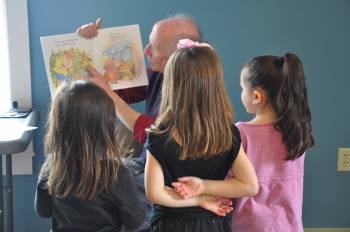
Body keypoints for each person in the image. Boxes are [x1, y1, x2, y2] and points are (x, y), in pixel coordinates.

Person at [76, 14, 203, 231]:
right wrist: (88, 44)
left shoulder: (197, 93)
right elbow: (116, 89)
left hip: (169, 179)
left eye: (154, 47)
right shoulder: (157, 73)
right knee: (84, 177)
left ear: (177, 57)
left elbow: (157, 136)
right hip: (144, 166)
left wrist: (107, 93)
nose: (145, 51)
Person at [173, 53, 315, 232]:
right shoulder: (298, 132)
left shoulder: (242, 133)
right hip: (290, 226)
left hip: (251, 226)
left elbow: (230, 185)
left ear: (257, 96)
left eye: (242, 88)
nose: (241, 94)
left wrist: (201, 187)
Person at [144, 39, 259, 232]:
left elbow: (155, 193)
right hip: (212, 224)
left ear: (171, 86)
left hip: (170, 225)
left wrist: (200, 199)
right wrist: (203, 188)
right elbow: (249, 185)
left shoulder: (159, 136)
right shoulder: (227, 134)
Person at [35, 80, 145, 232]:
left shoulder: (51, 166)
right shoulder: (116, 173)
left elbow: (43, 211)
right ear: (104, 128)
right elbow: (135, 221)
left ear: (58, 126)